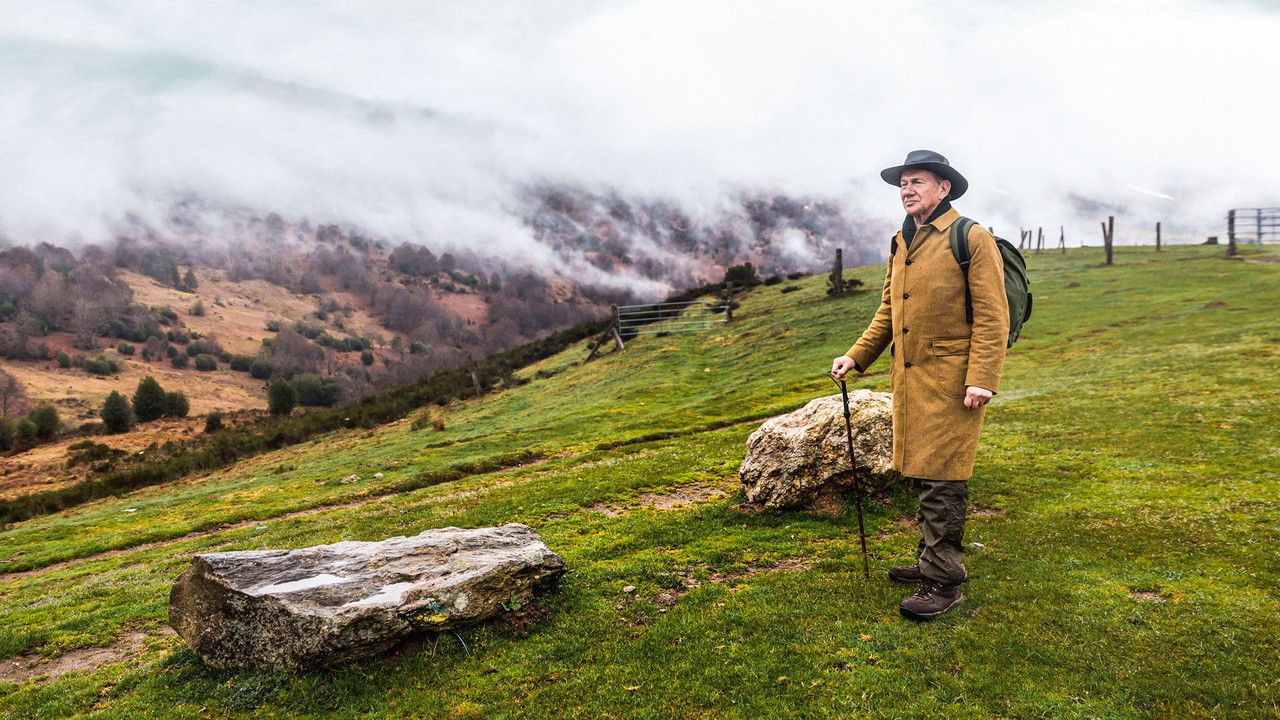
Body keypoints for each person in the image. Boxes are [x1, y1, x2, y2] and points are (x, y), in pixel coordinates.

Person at [830, 149, 1009, 621]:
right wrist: (857, 355)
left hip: (954, 380)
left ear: (943, 187)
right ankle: (931, 558)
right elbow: (889, 310)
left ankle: (945, 582)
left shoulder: (971, 237)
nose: (907, 190)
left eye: (917, 182)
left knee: (944, 477)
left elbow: (993, 316)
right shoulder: (902, 239)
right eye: (903, 183)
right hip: (911, 378)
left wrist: (983, 379)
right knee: (924, 470)